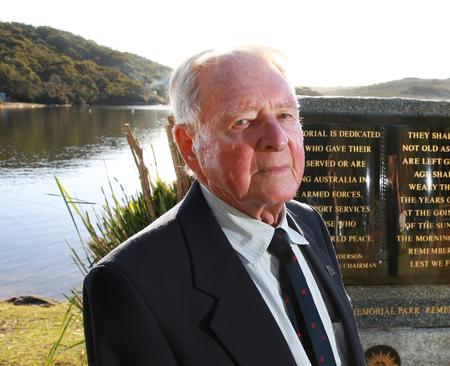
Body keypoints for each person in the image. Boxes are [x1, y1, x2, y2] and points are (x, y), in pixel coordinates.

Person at [82, 47, 365, 366]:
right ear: (190, 146)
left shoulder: (308, 223)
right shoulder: (131, 284)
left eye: (285, 114)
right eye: (243, 121)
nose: (277, 138)